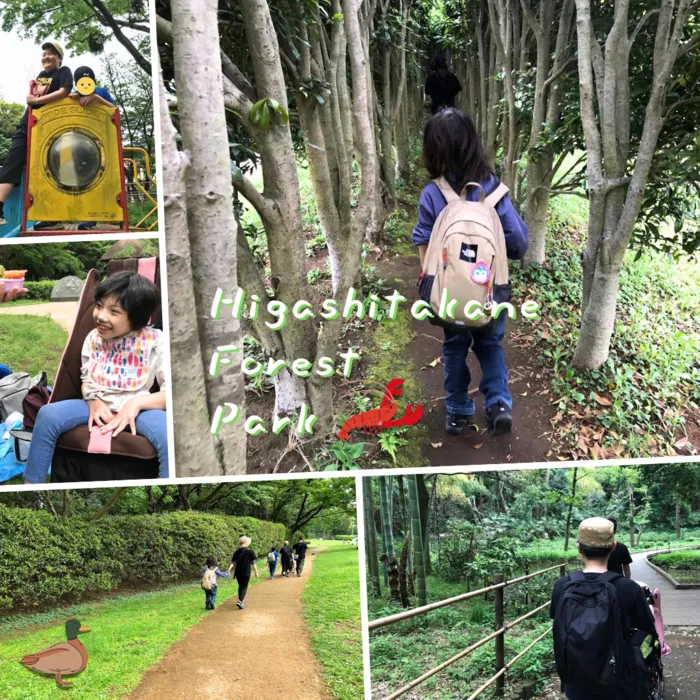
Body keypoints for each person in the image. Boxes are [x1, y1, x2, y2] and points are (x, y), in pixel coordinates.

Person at [412, 108, 528, 437]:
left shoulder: (433, 193)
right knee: (490, 345)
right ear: (473, 143)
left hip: (448, 297)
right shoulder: (493, 190)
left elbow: (422, 239)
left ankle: (458, 409)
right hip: (489, 293)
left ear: (432, 150)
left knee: (453, 347)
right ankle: (498, 404)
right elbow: (519, 242)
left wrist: (430, 282)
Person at [23, 272, 169, 483]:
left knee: (168, 433)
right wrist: (93, 401)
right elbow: (87, 380)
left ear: (137, 318)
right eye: (99, 306)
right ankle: (32, 485)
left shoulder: (156, 341)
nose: (101, 316)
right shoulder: (93, 338)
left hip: (139, 410)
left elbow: (170, 393)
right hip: (97, 402)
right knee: (48, 414)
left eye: (114, 311)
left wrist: (136, 404)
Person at [550, 517, 657, 700]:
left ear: (579, 548)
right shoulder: (629, 588)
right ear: (613, 546)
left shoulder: (563, 585)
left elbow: (558, 622)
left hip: (575, 681)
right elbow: (647, 629)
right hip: (617, 682)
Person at [0, 42, 72, 226]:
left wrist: (34, 100)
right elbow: (36, 98)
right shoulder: (41, 76)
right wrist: (34, 97)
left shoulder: (63, 72)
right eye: (44, 54)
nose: (46, 57)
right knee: (13, 160)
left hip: (51, 126)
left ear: (59, 58)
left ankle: (53, 215)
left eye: (51, 54)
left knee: (50, 167)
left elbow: (65, 91)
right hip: (29, 123)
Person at [69, 66, 116, 232]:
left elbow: (114, 110)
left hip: (100, 142)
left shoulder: (101, 92)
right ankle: (76, 213)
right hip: (79, 144)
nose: (84, 83)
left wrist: (96, 97)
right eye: (80, 80)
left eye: (88, 79)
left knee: (97, 178)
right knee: (80, 179)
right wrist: (71, 96)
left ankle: (91, 218)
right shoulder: (75, 94)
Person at [228, 535, 259, 609]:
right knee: (244, 587)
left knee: (240, 586)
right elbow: (253, 562)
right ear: (246, 542)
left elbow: (233, 562)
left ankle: (240, 600)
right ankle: (240, 601)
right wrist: (256, 571)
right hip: (246, 572)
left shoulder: (237, 552)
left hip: (238, 572)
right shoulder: (250, 551)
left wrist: (228, 570)